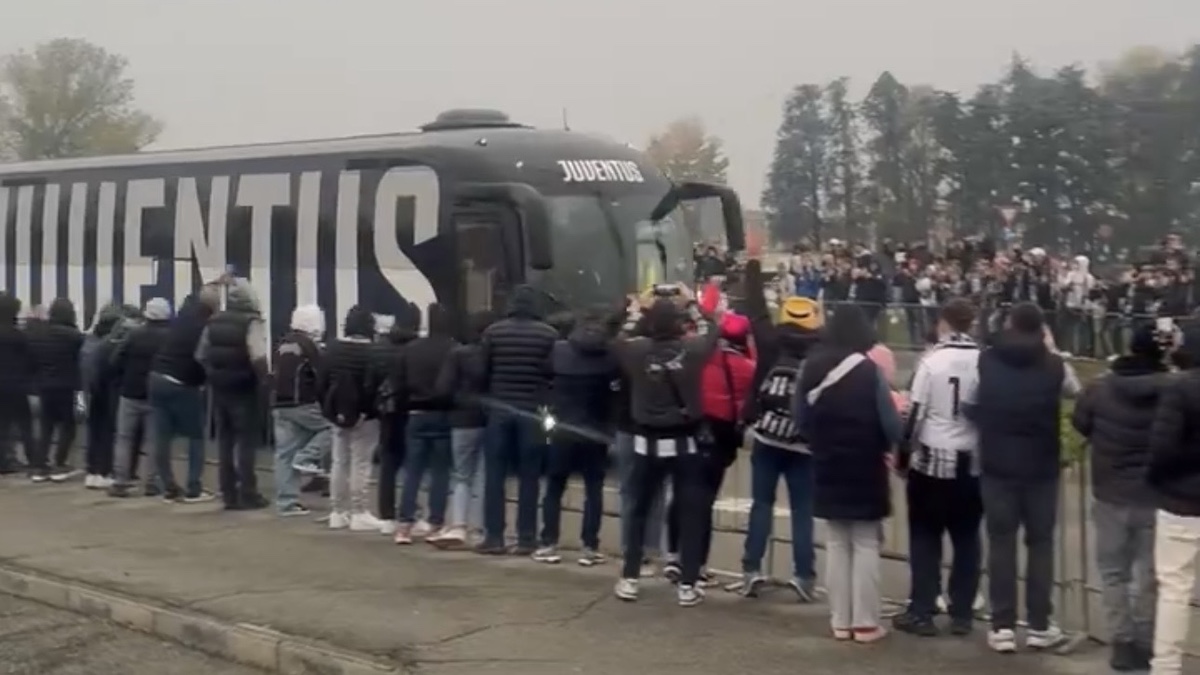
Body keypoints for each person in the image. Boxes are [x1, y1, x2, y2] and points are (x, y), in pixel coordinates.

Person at [967, 301, 1080, 653]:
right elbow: (1075, 391)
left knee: (1000, 542)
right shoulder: (1054, 365)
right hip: (1041, 466)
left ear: (1010, 324)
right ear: (1042, 328)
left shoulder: (986, 359)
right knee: (1041, 544)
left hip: (997, 462)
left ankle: (1002, 626)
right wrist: (1051, 349)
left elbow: (971, 400)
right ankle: (1039, 624)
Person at [794, 303, 901, 643]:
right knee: (866, 542)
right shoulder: (869, 371)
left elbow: (799, 418)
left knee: (837, 542)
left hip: (826, 460)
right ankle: (866, 622)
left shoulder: (810, 366)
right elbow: (891, 423)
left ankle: (840, 620)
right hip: (866, 462)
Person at [612, 288, 720, 607]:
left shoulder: (634, 351)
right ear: (678, 324)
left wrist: (638, 309)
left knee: (638, 511)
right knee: (690, 512)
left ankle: (630, 576)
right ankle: (688, 583)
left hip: (645, 442)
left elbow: (618, 334)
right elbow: (711, 329)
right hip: (685, 441)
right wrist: (692, 304)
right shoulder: (692, 351)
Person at [1071, 324, 1167, 671]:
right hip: (1155, 495)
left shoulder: (1100, 389)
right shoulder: (1172, 391)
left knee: (1113, 573)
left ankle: (1121, 642)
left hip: (1110, 492)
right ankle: (1146, 640)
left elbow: (1079, 427)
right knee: (1151, 575)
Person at [893, 298, 984, 638]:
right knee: (967, 539)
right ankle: (962, 613)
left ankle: (923, 609)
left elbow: (914, 415)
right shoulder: (983, 361)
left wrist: (903, 457)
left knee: (925, 536)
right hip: (970, 460)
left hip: (932, 460)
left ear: (944, 324)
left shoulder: (931, 363)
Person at [737, 259, 823, 600]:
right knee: (803, 510)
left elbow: (755, 308)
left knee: (761, 504)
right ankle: (804, 575)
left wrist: (754, 265)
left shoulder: (771, 342)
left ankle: (751, 568)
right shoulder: (820, 352)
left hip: (766, 435)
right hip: (803, 443)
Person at [534, 306, 620, 566]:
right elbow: (615, 392)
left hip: (562, 428)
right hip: (595, 430)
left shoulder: (559, 350)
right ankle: (589, 546)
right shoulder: (610, 356)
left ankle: (548, 542)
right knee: (593, 489)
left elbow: (544, 377)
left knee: (554, 487)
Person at [477, 285, 558, 555]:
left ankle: (494, 536)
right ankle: (526, 538)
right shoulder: (549, 335)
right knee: (530, 476)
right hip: (532, 412)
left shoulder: (493, 332)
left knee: (495, 475)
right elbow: (551, 374)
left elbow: (482, 371)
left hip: (499, 411)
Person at [1145, 320, 1200, 675]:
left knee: (1174, 588)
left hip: (1181, 499)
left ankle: (1165, 667)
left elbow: (1162, 448)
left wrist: (1157, 478)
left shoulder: (1180, 389)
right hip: (1183, 493)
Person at [196, 278, 270, 511]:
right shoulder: (252, 322)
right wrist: (265, 381)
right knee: (246, 442)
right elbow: (257, 355)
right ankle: (248, 493)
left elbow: (201, 354)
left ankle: (228, 493)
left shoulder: (213, 321)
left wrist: (214, 374)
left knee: (225, 442)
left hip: (220, 390)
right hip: (244, 388)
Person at [148, 283, 221, 502]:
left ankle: (168, 486)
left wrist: (215, 282)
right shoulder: (207, 326)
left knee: (162, 437)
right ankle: (193, 488)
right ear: (215, 307)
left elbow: (197, 296)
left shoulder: (183, 316)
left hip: (156, 377)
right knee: (195, 437)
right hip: (182, 382)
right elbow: (201, 357)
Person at [430, 309, 495, 549]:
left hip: (462, 420)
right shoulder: (494, 357)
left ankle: (458, 525)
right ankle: (478, 529)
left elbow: (443, 389)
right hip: (489, 420)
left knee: (462, 475)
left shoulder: (457, 354)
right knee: (483, 475)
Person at [393, 304, 457, 544]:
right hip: (444, 415)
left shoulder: (411, 350)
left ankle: (404, 526)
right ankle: (435, 524)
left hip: (416, 414)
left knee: (413, 471)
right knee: (441, 472)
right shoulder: (454, 349)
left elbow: (399, 384)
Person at [317, 305, 382, 531]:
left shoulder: (333, 348)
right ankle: (359, 511)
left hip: (337, 415)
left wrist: (331, 411)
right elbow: (375, 386)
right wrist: (368, 412)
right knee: (360, 463)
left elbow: (322, 382)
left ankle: (337, 511)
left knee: (339, 462)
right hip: (365, 418)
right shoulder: (374, 352)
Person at [271, 304, 331, 517]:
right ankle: (308, 457)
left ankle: (286, 503)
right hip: (304, 403)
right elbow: (321, 376)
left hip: (279, 404)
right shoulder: (310, 347)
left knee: (284, 454)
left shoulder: (283, 343)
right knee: (332, 428)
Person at [109, 299, 172, 498]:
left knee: (124, 438)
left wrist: (123, 377)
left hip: (130, 392)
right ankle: (151, 483)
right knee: (153, 440)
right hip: (156, 394)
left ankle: (120, 482)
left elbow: (115, 359)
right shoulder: (170, 338)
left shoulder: (134, 334)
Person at [374, 304, 421, 535]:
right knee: (414, 465)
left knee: (388, 464)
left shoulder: (381, 346)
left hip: (387, 411)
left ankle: (386, 514)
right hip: (411, 411)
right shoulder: (415, 348)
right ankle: (410, 512)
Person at [28, 298, 85, 483]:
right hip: (66, 385)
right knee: (67, 426)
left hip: (44, 385)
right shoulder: (75, 336)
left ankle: (39, 466)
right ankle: (59, 464)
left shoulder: (40, 333)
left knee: (46, 426)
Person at [0, 293, 34, 476]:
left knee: (2, 425)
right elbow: (29, 361)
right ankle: (34, 459)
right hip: (17, 386)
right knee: (25, 424)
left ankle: (3, 462)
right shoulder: (19, 336)